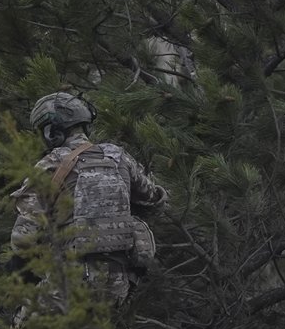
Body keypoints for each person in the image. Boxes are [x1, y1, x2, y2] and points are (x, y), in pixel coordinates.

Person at [10, 92, 168, 308]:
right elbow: (154, 200)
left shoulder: (49, 166)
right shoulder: (118, 157)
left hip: (68, 286)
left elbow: (22, 240)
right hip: (118, 286)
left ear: (50, 132)